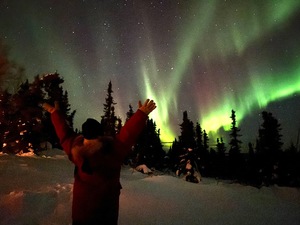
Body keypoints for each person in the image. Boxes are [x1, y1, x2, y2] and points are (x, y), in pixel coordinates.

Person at [43, 99, 156, 225]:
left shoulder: (74, 150)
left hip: (81, 216)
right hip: (107, 216)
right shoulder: (113, 151)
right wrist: (141, 114)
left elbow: (64, 134)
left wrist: (55, 113)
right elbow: (128, 134)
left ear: (84, 135)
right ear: (100, 135)